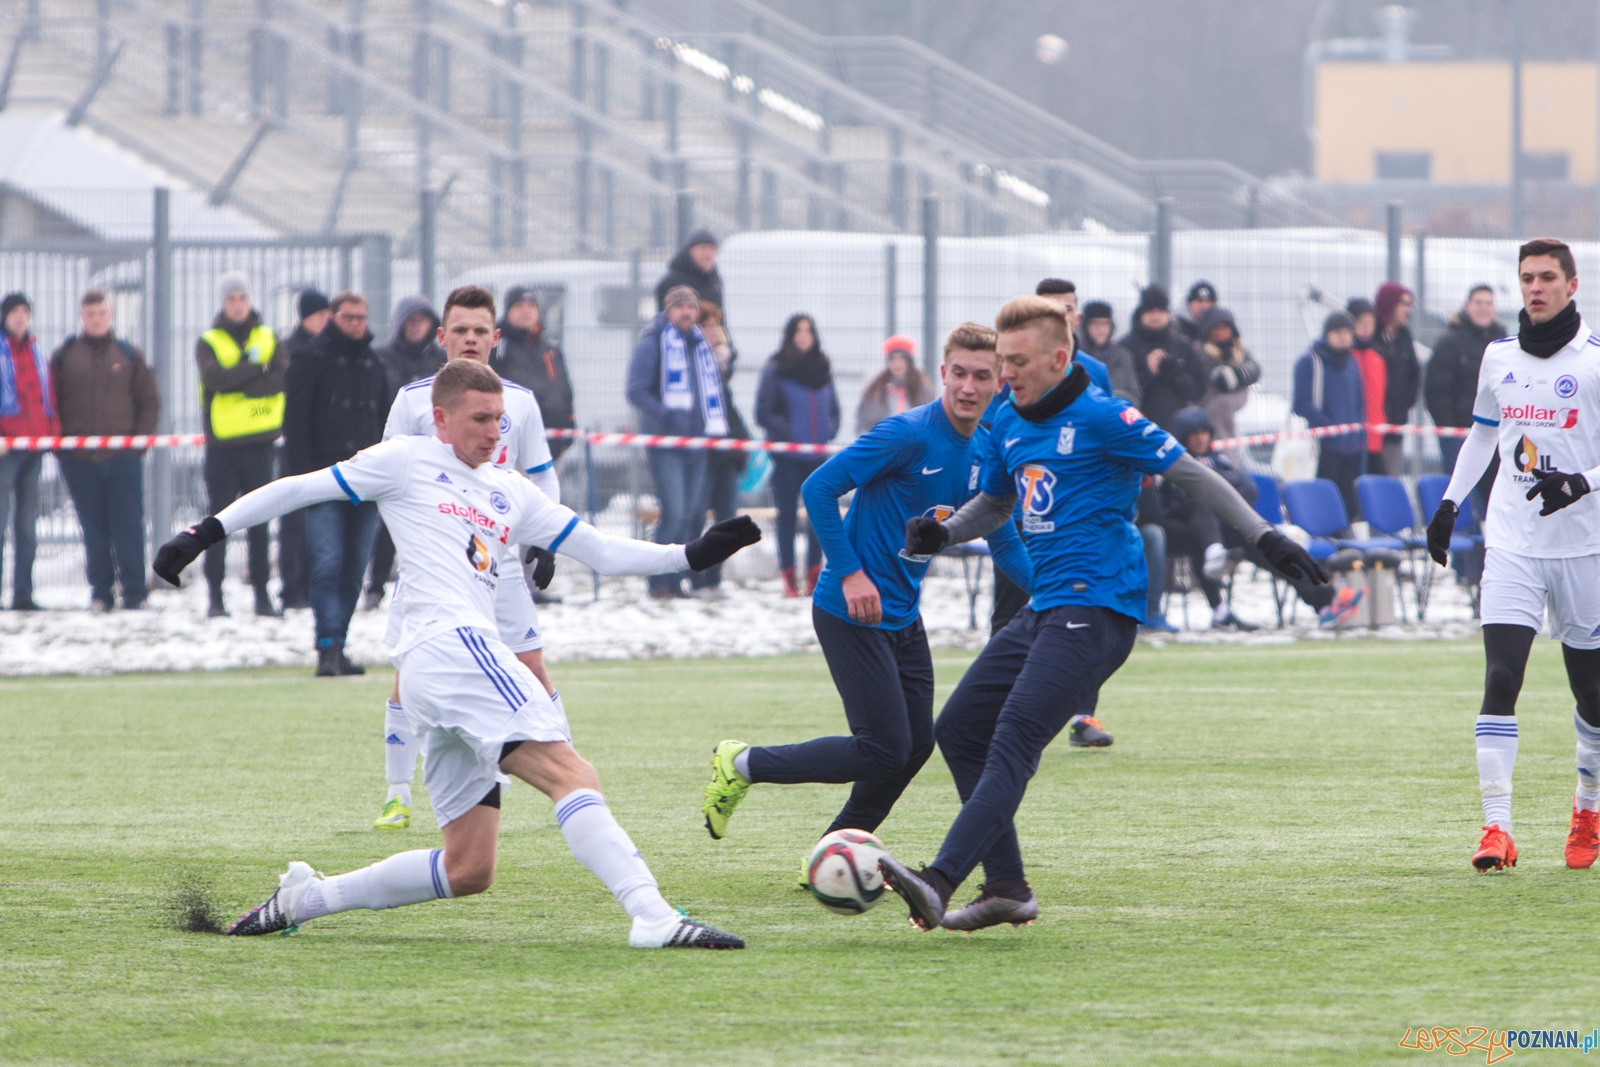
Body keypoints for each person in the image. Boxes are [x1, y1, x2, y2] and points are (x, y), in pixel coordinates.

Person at [151, 358, 759, 948]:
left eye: (500, 420)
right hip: (453, 648)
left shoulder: (511, 491)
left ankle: (307, 899)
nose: (494, 432)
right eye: (480, 419)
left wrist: (689, 556)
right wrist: (205, 532)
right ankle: (652, 915)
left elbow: (598, 549)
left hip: (436, 673)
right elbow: (298, 488)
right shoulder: (406, 460)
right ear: (440, 419)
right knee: (571, 774)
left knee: (469, 867)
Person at [877, 296, 1326, 932]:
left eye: (1018, 361)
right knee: (960, 729)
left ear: (1060, 359)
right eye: (1003, 360)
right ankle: (1006, 887)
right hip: (1046, 606)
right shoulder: (1007, 418)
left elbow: (1193, 473)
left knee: (1013, 737)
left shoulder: (1104, 416)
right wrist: (944, 534)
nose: (1006, 373)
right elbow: (996, 503)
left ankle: (939, 880)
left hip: (1099, 608)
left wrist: (1264, 536)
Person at [699, 323, 1033, 847]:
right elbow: (818, 487)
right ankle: (742, 763)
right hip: (848, 609)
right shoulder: (907, 434)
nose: (969, 386)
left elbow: (1006, 543)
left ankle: (834, 852)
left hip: (902, 616)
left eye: (981, 376)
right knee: (883, 748)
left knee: (916, 746)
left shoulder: (990, 450)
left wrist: (1056, 595)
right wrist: (851, 573)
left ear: (999, 383)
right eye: (960, 374)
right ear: (943, 374)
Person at [1423, 238, 1600, 875]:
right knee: (1501, 678)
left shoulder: (1594, 360)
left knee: (1592, 694)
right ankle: (1497, 827)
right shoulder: (1497, 356)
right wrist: (1449, 503)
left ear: (1571, 286)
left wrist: (1583, 483)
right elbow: (1482, 435)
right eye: (1527, 278)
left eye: (1548, 277)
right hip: (1512, 543)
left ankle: (1588, 807)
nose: (1536, 287)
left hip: (1584, 548)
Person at [375, 285, 559, 831]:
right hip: (433, 568)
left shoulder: (520, 402)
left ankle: (565, 779)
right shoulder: (413, 400)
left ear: (496, 338)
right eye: (460, 330)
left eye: (480, 330)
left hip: (498, 564)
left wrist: (545, 537)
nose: (471, 339)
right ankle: (396, 794)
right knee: (410, 673)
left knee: (532, 666)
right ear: (442, 337)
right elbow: (386, 474)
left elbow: (542, 474)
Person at [283, 291, 388, 675]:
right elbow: (295, 425)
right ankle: (327, 643)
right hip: (324, 479)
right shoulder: (310, 359)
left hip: (366, 482)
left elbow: (384, 423)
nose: (357, 324)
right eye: (349, 317)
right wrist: (304, 480)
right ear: (333, 317)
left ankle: (338, 643)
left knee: (354, 568)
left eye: (362, 317)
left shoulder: (374, 363)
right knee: (327, 564)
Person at [51, 288, 160, 612]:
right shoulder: (65, 356)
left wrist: (138, 444)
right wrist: (62, 449)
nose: (96, 319)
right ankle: (101, 593)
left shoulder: (128, 354)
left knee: (129, 526)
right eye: (90, 314)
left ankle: (135, 593)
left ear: (110, 315)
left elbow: (149, 401)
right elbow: (50, 402)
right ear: (81, 317)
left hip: (122, 457)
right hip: (79, 460)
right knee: (93, 528)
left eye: (101, 313)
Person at [625, 285, 727, 599]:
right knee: (675, 513)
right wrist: (666, 417)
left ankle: (676, 579)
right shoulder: (652, 343)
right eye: (680, 306)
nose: (686, 312)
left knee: (693, 515)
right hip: (666, 444)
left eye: (691, 307)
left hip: (697, 444)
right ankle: (660, 583)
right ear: (668, 311)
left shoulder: (700, 345)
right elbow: (636, 390)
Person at [196, 271, 286, 619]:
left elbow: (280, 378)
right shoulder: (209, 341)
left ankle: (262, 595)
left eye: (242, 298)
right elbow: (215, 379)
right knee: (219, 523)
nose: (237, 305)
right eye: (231, 299)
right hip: (222, 447)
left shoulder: (269, 336)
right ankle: (215, 597)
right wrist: (256, 368)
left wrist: (241, 379)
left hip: (260, 444)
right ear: (223, 303)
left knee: (260, 523)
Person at [1142, 407, 1258, 632]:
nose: (1201, 438)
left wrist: (1214, 481)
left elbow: (1249, 489)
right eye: (1194, 434)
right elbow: (1168, 502)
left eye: (1204, 432)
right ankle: (1155, 612)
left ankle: (1321, 599)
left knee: (1258, 538)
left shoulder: (1217, 458)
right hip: (1172, 525)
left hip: (1219, 527)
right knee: (1193, 519)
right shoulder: (1169, 460)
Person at [365, 295, 446, 611]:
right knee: (389, 522)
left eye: (422, 320)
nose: (416, 327)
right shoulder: (382, 358)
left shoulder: (442, 361)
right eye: (410, 321)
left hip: (436, 454)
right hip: (395, 450)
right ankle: (375, 586)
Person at [756, 313, 840, 597]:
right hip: (787, 458)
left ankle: (815, 574)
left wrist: (829, 429)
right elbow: (763, 411)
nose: (804, 336)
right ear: (790, 335)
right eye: (798, 331)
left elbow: (834, 409)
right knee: (788, 517)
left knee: (819, 516)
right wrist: (790, 433)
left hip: (817, 456)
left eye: (808, 331)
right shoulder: (776, 368)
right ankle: (789, 577)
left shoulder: (823, 367)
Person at [1426, 285, 1505, 522]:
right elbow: (1436, 390)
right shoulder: (1449, 342)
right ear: (1467, 306)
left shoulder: (1503, 344)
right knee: (1463, 504)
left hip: (1498, 436)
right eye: (1478, 303)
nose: (1484, 308)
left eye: (1488, 303)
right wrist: (1451, 429)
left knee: (1495, 500)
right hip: (1460, 436)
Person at [0, 292, 57, 611]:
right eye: (15, 312)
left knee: (26, 525)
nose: (21, 317)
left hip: (33, 449)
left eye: (25, 311)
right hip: (5, 451)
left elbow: (48, 397)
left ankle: (23, 594)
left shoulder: (36, 351)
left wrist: (51, 433)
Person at [275, 289, 331, 611]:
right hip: (294, 446)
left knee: (320, 521)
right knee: (294, 522)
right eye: (320, 314)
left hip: (323, 445)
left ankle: (312, 586)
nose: (325, 320)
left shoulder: (329, 348)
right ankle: (291, 587)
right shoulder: (289, 350)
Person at [691, 300, 749, 597]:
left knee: (727, 517)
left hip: (725, 452)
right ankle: (695, 580)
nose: (713, 330)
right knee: (695, 517)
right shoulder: (691, 362)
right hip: (701, 452)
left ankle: (714, 579)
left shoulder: (722, 363)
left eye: (716, 325)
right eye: (706, 325)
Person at [1292, 311, 1366, 519]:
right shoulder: (1310, 362)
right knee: (1322, 502)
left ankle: (1346, 536)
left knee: (1349, 505)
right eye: (1337, 332)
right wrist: (1328, 427)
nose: (1343, 337)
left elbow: (1359, 400)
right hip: (1323, 447)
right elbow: (1301, 403)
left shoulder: (1353, 363)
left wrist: (1358, 435)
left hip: (1351, 448)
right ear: (1327, 335)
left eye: (1347, 332)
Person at [492, 287, 576, 463]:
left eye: (531, 306)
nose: (526, 311)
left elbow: (565, 391)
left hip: (552, 445)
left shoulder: (551, 349)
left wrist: (569, 426)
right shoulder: (498, 348)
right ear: (508, 312)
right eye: (519, 306)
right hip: (513, 447)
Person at [1123, 285, 1205, 432]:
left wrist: (1176, 373)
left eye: (1160, 311)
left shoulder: (1183, 346)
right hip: (1137, 427)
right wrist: (1147, 372)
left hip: (1178, 429)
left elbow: (1198, 390)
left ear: (1167, 313)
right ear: (1141, 314)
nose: (1155, 317)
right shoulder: (1126, 348)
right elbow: (1121, 392)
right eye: (1150, 312)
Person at [1374, 281, 1422, 476]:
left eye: (1410, 304)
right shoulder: (1371, 336)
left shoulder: (1404, 336)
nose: (1408, 310)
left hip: (1395, 425)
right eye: (1404, 303)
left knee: (1392, 479)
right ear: (1390, 304)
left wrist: (1404, 404)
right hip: (1372, 427)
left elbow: (1414, 373)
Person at [1195, 307, 1260, 451]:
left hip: (1236, 397)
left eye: (1225, 327)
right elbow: (1211, 376)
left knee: (1220, 405)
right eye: (1216, 328)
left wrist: (1237, 375)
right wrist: (1222, 377)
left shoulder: (1240, 349)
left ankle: (1226, 457)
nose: (1221, 332)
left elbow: (1255, 369)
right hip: (1207, 399)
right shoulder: (1200, 351)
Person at [856, 335, 935, 433]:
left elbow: (931, 421)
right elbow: (863, 421)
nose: (897, 363)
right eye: (892, 359)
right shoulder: (876, 389)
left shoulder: (922, 388)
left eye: (901, 358)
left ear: (909, 361)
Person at [1347, 297, 1389, 477]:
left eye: (1370, 322)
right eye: (1361, 322)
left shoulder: (1377, 356)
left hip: (1375, 436)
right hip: (1350, 438)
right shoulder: (1346, 357)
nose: (1366, 327)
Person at [1077, 301, 1140, 403]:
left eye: (1106, 324)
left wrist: (1115, 400)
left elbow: (1134, 394)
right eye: (1096, 324)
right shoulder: (1077, 356)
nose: (1102, 330)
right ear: (1085, 326)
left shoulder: (1122, 355)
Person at [654, 228, 724, 313]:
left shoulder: (714, 281)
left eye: (712, 249)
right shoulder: (673, 282)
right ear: (690, 251)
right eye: (703, 248)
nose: (708, 254)